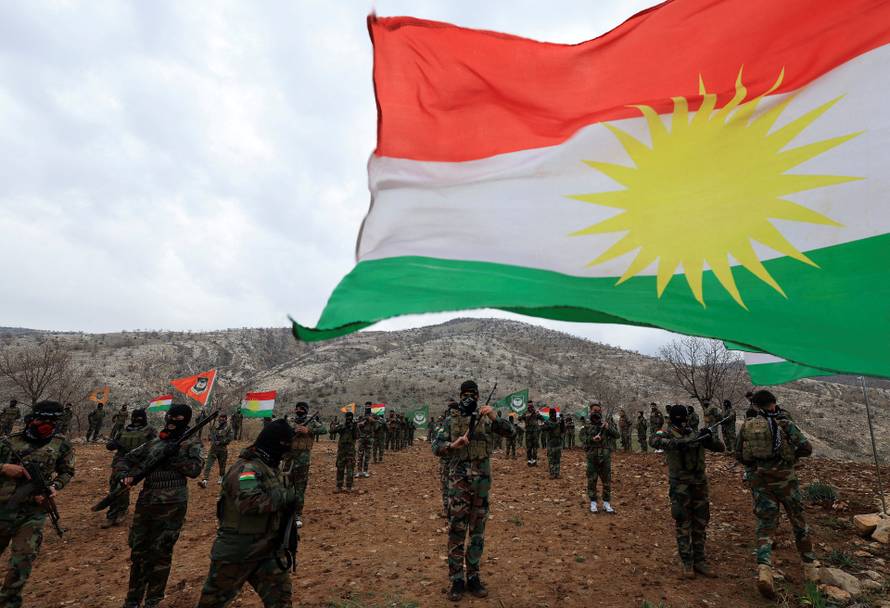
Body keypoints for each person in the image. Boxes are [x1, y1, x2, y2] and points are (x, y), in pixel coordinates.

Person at [196, 419, 297, 607]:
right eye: (285, 445)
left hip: (268, 549)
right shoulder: (246, 468)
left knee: (281, 600)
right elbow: (249, 503)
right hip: (237, 551)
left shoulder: (271, 467)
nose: (287, 452)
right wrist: (286, 497)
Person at [432, 380, 515, 601]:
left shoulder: (487, 419)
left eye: (472, 394)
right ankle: (457, 579)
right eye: (465, 394)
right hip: (458, 486)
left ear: (478, 397)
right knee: (456, 532)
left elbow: (512, 432)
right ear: (460, 396)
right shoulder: (450, 420)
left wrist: (495, 417)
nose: (468, 398)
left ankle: (473, 576)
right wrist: (453, 445)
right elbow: (436, 446)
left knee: (477, 533)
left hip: (481, 486)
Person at [119, 403, 204, 608]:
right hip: (147, 501)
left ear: (186, 420)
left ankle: (153, 601)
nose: (172, 421)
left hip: (173, 505)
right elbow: (126, 459)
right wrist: (124, 475)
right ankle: (132, 600)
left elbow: (194, 470)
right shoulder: (155, 442)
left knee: (161, 553)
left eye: (178, 418)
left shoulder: (192, 443)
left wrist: (175, 456)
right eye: (170, 416)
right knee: (138, 552)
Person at [736, 390, 818, 598]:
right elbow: (807, 448)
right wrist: (789, 455)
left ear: (756, 406)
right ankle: (810, 569)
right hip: (786, 480)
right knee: (798, 521)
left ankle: (764, 570)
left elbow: (740, 455)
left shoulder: (748, 425)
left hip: (761, 481)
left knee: (765, 525)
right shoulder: (784, 423)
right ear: (773, 403)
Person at [0, 401, 75, 608]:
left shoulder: (61, 444)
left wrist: (54, 486)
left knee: (22, 561)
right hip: (3, 508)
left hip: (32, 513)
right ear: (32, 419)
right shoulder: (9, 442)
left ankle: (8, 602)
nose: (47, 425)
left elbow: (67, 471)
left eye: (53, 421)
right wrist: (4, 467)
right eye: (43, 420)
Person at [650, 404, 724, 579]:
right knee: (683, 522)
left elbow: (720, 447)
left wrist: (709, 438)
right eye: (679, 420)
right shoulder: (666, 433)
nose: (682, 423)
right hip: (680, 485)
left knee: (700, 522)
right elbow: (653, 441)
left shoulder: (696, 433)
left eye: (684, 419)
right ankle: (687, 562)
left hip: (699, 483)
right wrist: (678, 443)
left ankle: (700, 560)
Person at [103, 408, 156, 528]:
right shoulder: (123, 430)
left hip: (139, 463)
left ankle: (122, 510)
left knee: (126, 485)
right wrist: (115, 444)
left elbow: (155, 445)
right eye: (134, 417)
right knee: (115, 486)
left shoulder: (150, 430)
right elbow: (110, 445)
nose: (136, 420)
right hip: (121, 461)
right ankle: (112, 514)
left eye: (139, 418)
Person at [282, 402, 320, 529]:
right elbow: (280, 433)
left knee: (299, 489)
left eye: (302, 409)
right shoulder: (289, 421)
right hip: (288, 460)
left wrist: (308, 430)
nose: (299, 410)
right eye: (297, 408)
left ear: (306, 410)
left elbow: (324, 430)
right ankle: (286, 512)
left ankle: (297, 514)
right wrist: (292, 431)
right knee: (286, 487)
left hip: (302, 462)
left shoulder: (312, 422)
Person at [580, 403, 620, 514]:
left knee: (606, 480)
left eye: (598, 410)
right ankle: (593, 502)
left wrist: (608, 427)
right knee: (592, 480)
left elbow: (617, 435)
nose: (596, 412)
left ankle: (606, 503)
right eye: (594, 410)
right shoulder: (586, 426)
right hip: (592, 457)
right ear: (590, 411)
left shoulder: (605, 424)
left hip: (605, 457)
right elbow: (582, 438)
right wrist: (592, 439)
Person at [200, 413, 234, 488]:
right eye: (220, 418)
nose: (220, 420)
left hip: (222, 449)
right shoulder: (215, 426)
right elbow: (211, 436)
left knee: (222, 465)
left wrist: (221, 442)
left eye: (222, 418)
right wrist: (211, 437)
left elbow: (230, 437)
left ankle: (221, 477)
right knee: (208, 464)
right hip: (213, 449)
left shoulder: (228, 427)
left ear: (225, 419)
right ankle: (205, 480)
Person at [330, 411, 358, 492]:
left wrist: (354, 427)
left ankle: (349, 486)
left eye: (350, 417)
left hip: (350, 452)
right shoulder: (342, 426)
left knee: (350, 469)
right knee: (340, 468)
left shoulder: (354, 427)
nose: (348, 419)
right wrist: (339, 426)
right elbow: (331, 431)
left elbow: (357, 436)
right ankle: (339, 486)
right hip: (341, 451)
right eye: (347, 417)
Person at [542, 410, 565, 479]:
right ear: (549, 414)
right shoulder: (547, 422)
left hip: (558, 442)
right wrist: (557, 423)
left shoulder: (558, 421)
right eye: (552, 414)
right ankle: (552, 473)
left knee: (557, 459)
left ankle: (557, 473)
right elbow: (546, 428)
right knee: (551, 459)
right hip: (551, 443)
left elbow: (563, 430)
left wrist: (562, 423)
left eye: (554, 413)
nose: (553, 415)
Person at [356, 404, 376, 478]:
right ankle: (359, 471)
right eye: (366, 408)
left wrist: (369, 418)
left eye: (369, 408)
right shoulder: (361, 417)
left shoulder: (372, 417)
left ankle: (365, 471)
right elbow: (357, 425)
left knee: (367, 456)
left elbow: (375, 423)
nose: (367, 410)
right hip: (362, 438)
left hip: (369, 438)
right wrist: (362, 422)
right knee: (360, 455)